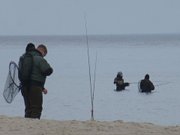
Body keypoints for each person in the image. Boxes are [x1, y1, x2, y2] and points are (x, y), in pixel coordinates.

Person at [19, 44, 53, 119]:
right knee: (36, 108)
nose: (43, 56)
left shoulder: (23, 57)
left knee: (28, 108)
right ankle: (33, 126)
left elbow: (27, 74)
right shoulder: (40, 59)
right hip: (35, 87)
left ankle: (27, 125)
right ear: (43, 51)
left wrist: (42, 88)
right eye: (44, 54)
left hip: (24, 86)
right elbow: (48, 70)